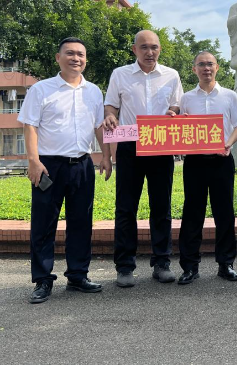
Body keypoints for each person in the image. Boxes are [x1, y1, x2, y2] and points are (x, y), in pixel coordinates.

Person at [18, 37, 112, 304]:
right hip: (48, 166)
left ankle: (78, 275)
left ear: (86, 60)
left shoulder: (93, 91)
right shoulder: (41, 89)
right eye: (70, 53)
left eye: (80, 54)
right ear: (58, 58)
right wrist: (33, 161)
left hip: (82, 164)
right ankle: (43, 280)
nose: (76, 58)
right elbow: (30, 125)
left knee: (81, 222)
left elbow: (98, 126)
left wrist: (106, 156)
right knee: (43, 223)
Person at [103, 30, 183, 287]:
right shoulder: (120, 74)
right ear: (134, 49)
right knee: (126, 208)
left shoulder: (171, 75)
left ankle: (162, 263)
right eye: (144, 47)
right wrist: (110, 115)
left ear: (160, 49)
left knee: (161, 207)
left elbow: (176, 104)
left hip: (160, 144)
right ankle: (125, 266)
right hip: (130, 145)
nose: (150, 52)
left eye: (154, 47)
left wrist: (173, 112)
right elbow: (110, 105)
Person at [177, 51, 237, 284]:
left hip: (222, 160)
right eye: (201, 64)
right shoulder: (186, 98)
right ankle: (189, 266)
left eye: (210, 64)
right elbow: (180, 128)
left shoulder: (229, 96)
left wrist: (228, 143)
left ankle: (226, 264)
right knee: (192, 213)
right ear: (194, 69)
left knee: (224, 212)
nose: (206, 68)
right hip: (194, 162)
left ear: (217, 67)